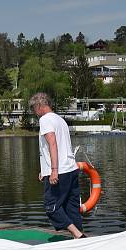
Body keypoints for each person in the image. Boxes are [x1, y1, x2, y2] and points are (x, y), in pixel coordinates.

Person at [29, 92, 85, 239]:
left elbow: (52, 143)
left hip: (60, 171)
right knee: (71, 206)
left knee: (51, 206)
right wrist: (45, 170)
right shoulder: (60, 120)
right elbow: (60, 145)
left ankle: (77, 234)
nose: (34, 112)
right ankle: (80, 240)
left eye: (33, 108)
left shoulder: (45, 120)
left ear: (40, 105)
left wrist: (53, 170)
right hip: (71, 169)